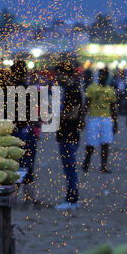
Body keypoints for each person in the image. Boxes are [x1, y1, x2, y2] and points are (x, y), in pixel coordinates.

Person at [10, 60, 40, 203]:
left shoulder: (6, 91)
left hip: (12, 132)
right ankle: (29, 197)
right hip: (27, 132)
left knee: (13, 164)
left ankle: (13, 196)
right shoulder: (30, 90)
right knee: (27, 164)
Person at [54, 62, 83, 210]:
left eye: (59, 74)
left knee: (70, 169)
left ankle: (72, 199)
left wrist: (56, 116)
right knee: (68, 169)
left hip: (69, 134)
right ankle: (72, 198)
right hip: (66, 134)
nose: (57, 77)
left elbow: (74, 113)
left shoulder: (73, 90)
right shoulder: (67, 89)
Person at [81, 68, 117, 173]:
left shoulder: (111, 90)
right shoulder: (91, 88)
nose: (102, 77)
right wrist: (82, 118)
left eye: (104, 75)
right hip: (93, 118)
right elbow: (86, 104)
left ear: (107, 76)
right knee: (90, 143)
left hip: (106, 118)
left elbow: (113, 107)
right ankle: (86, 164)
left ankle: (103, 166)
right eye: (100, 75)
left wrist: (115, 122)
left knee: (105, 143)